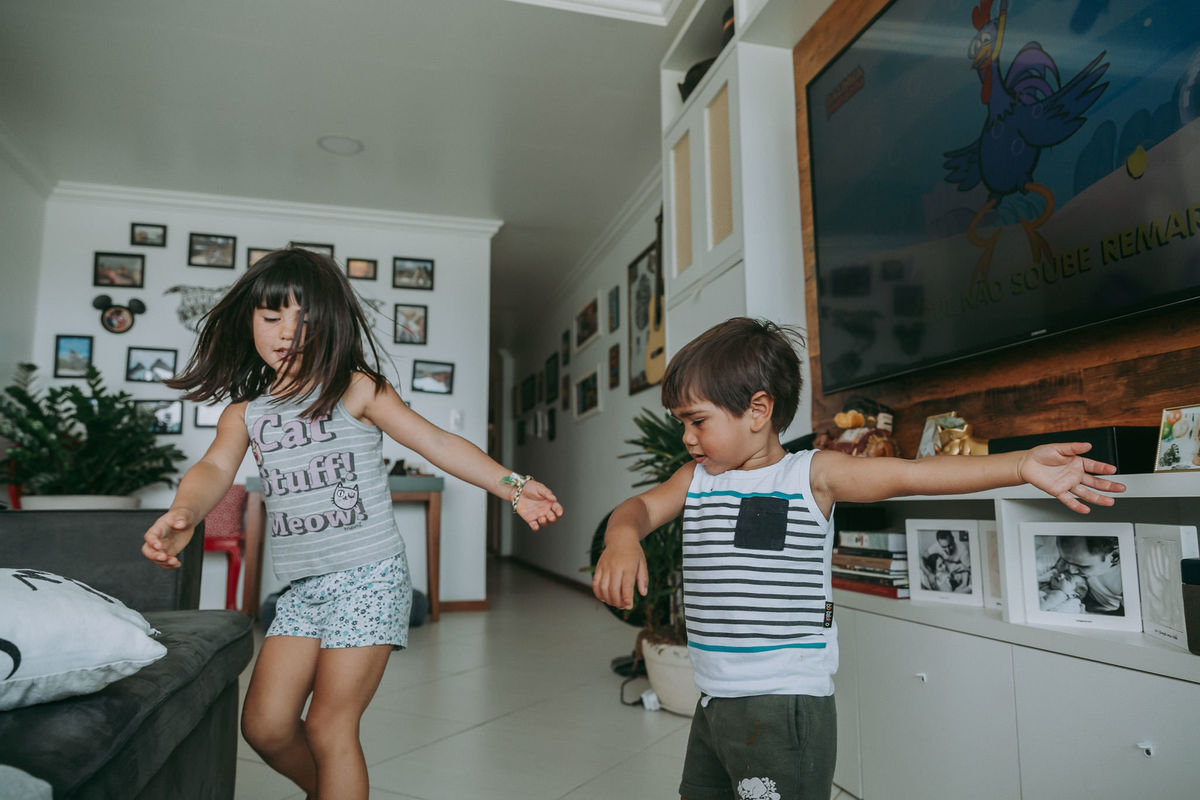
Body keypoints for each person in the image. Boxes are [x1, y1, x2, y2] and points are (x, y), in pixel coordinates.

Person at [591, 317, 1123, 800]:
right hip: (716, 698)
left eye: (696, 421)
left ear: (758, 410)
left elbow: (912, 475)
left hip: (784, 703)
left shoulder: (812, 475)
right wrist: (622, 538)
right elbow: (637, 509)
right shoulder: (696, 480)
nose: (686, 437)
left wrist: (1021, 464)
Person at [141, 248, 563, 800]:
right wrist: (186, 513)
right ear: (250, 321)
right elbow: (214, 467)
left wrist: (512, 485)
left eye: (306, 320)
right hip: (301, 590)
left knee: (327, 726)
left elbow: (436, 442)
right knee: (264, 727)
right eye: (273, 318)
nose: (288, 333)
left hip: (369, 578)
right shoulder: (247, 413)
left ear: (334, 326)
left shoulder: (356, 389)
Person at [1042, 536, 1124, 613]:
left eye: (1082, 566)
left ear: (1114, 556)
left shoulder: (1124, 585)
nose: (1071, 570)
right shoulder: (1071, 556)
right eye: (1065, 560)